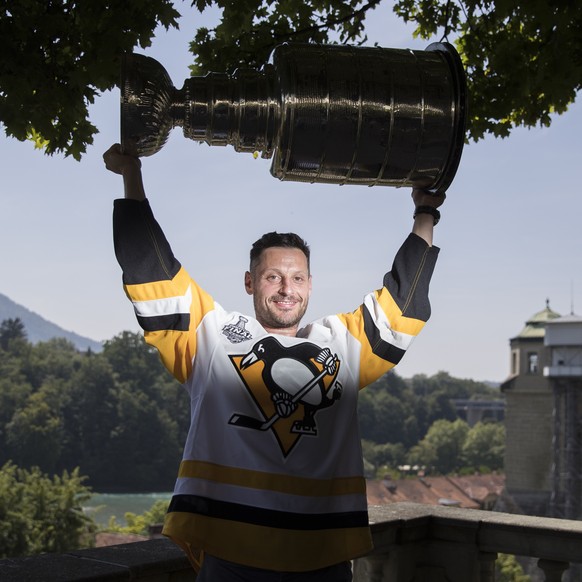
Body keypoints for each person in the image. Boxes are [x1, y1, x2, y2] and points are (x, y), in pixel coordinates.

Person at [103, 143, 444, 581]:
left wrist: (426, 213)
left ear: (310, 284)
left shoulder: (342, 343)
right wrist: (132, 175)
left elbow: (405, 302)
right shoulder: (209, 334)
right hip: (232, 551)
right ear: (250, 282)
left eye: (297, 277)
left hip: (323, 555)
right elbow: (149, 267)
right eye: (273, 277)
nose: (287, 288)